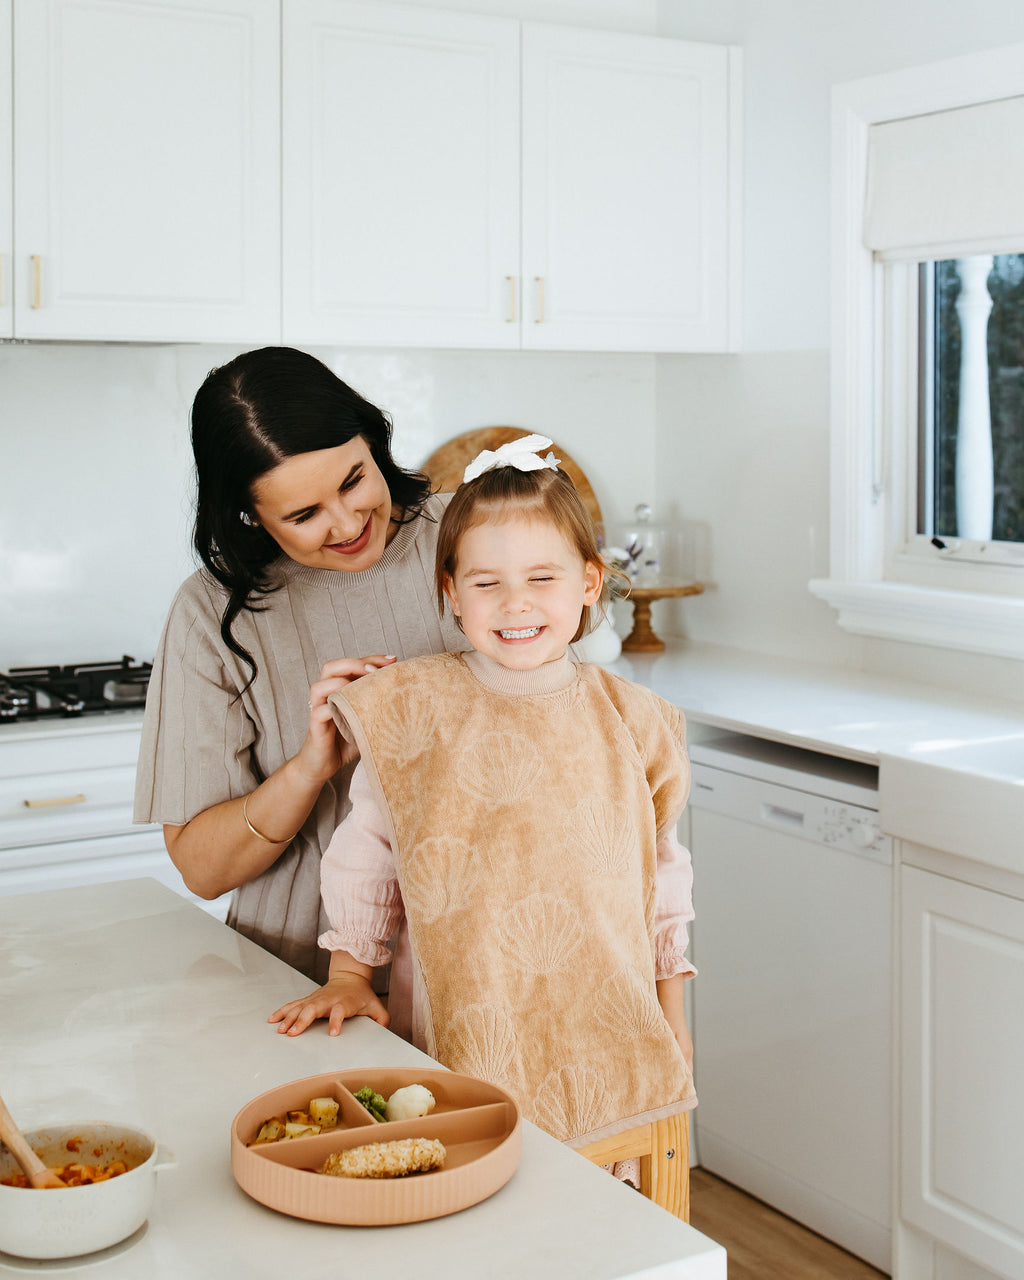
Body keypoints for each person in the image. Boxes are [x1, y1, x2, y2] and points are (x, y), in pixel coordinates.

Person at [268, 436, 697, 1156]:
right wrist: (349, 974)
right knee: (467, 1186)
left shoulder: (635, 721)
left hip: (602, 1019)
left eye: (542, 578)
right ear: (451, 593)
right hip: (458, 1010)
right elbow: (367, 849)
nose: (516, 603)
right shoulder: (414, 707)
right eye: (486, 582)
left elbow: (662, 875)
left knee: (590, 1216)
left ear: (589, 584)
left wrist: (670, 1012)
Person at [133, 347, 466, 982]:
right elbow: (202, 871)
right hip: (298, 972)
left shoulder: (474, 534)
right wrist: (309, 770)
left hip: (484, 954)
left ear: (373, 439)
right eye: (304, 514)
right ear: (248, 515)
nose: (346, 524)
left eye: (353, 480)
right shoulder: (212, 612)